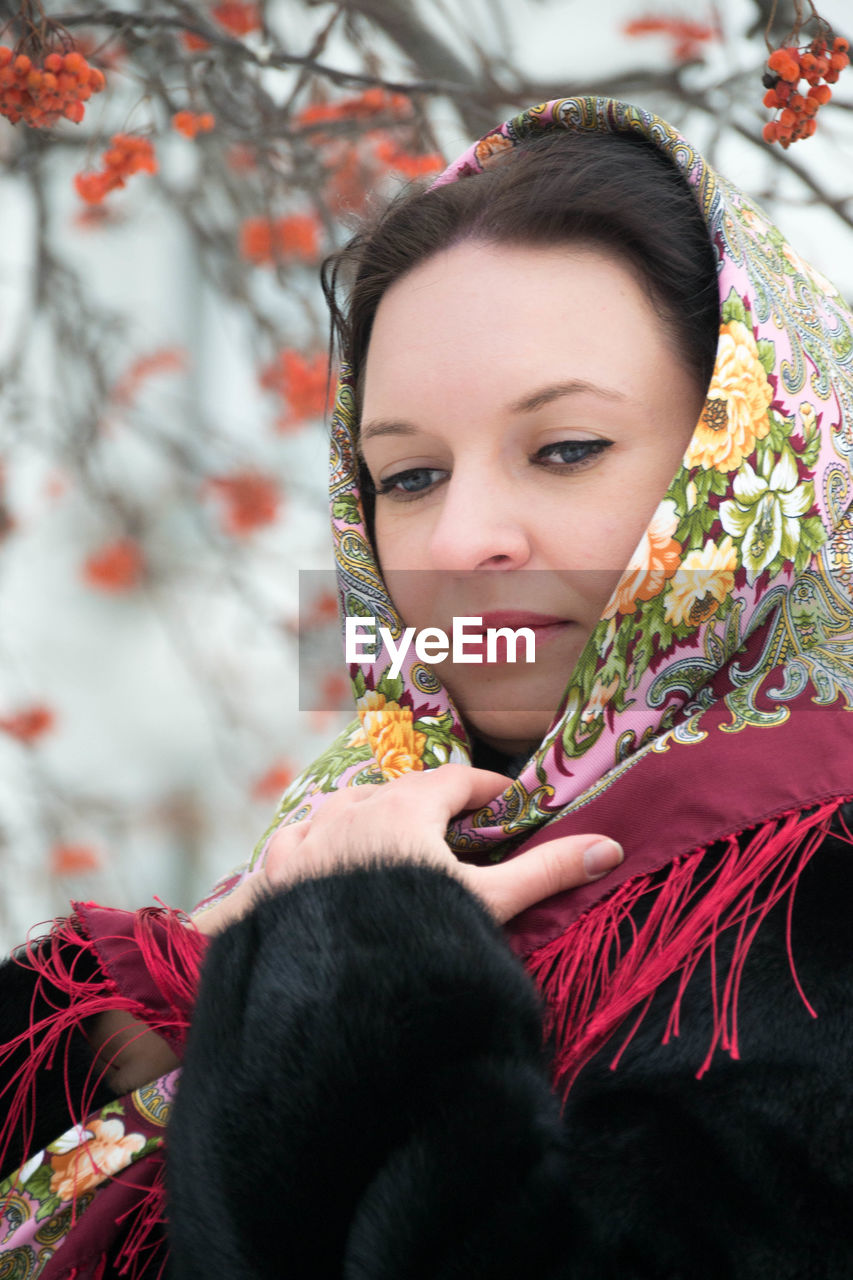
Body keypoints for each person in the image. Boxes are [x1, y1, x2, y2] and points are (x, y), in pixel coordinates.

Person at [1, 96, 852, 1279]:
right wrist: (212, 959)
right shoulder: (370, 817)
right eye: (407, 474)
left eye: (564, 449)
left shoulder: (811, 894)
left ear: (747, 457)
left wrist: (343, 970)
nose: (459, 541)